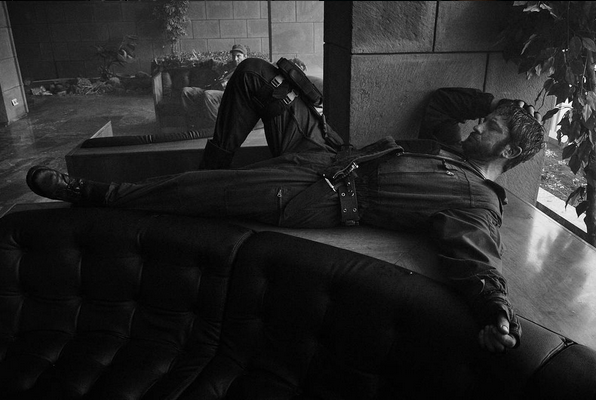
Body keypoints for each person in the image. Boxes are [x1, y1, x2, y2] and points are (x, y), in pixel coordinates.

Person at [26, 57, 544, 354]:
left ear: (509, 152)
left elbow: (477, 259)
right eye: (485, 119)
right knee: (258, 75)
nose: (478, 124)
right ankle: (213, 167)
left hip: (317, 193)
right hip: (328, 151)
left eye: (492, 127)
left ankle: (95, 194)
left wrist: (496, 312)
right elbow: (446, 101)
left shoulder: (477, 200)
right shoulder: (451, 145)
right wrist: (505, 106)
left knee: (194, 193)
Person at [181, 44, 248, 130]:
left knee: (208, 94)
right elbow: (212, 62)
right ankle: (194, 123)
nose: (235, 59)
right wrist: (198, 63)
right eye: (233, 56)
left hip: (230, 94)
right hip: (214, 89)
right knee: (186, 92)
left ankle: (219, 126)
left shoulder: (246, 69)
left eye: (238, 56)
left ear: (245, 56)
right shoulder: (227, 66)